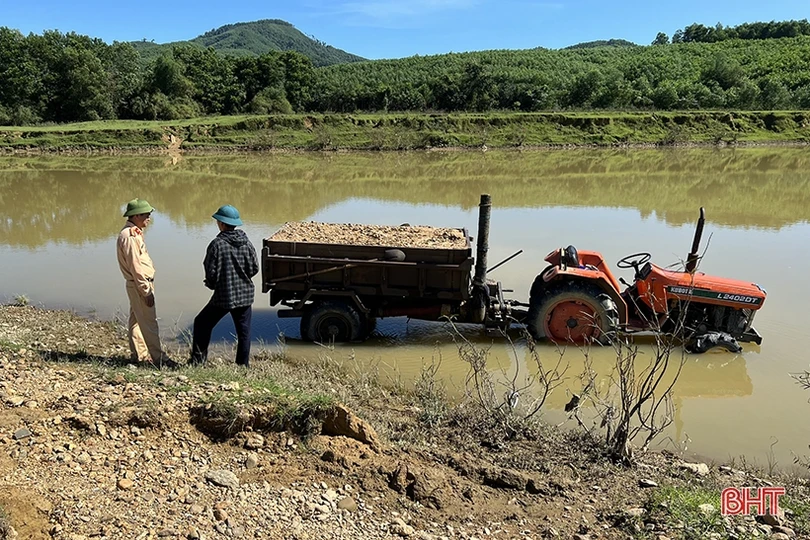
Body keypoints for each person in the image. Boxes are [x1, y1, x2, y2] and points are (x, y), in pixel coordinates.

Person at [190, 205, 259, 368]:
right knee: (244, 333)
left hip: (224, 295)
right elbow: (254, 267)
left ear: (221, 223)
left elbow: (211, 271)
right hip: (245, 295)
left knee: (201, 323)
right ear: (235, 224)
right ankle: (243, 366)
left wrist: (212, 285)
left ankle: (198, 361)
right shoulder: (246, 242)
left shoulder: (217, 244)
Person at [117, 198, 170, 367]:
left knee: (137, 321)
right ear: (136, 215)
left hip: (138, 284)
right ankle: (159, 359)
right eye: (146, 215)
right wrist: (146, 290)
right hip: (140, 284)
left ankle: (139, 355)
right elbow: (136, 266)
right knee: (149, 323)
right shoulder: (130, 236)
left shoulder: (133, 232)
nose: (149, 218)